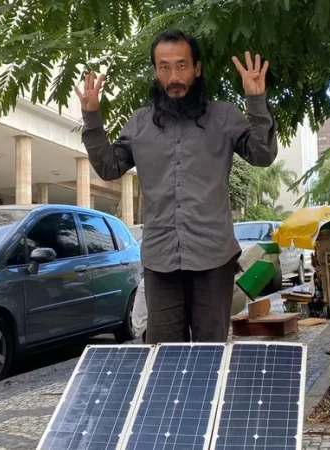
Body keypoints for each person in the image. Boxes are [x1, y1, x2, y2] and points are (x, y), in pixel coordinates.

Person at [75, 30, 278, 344]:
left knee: (210, 354)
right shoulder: (140, 123)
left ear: (197, 68)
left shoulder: (224, 116)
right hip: (161, 259)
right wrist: (92, 118)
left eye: (182, 66)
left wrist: (256, 100)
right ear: (156, 72)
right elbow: (109, 167)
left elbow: (262, 155)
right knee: (165, 357)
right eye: (165, 67)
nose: (174, 76)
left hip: (213, 256)